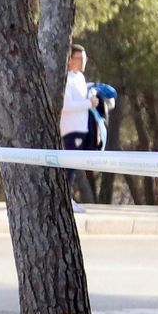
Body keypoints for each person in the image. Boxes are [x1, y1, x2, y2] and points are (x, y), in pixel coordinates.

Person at [60, 44, 100, 212]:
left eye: (85, 59)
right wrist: (88, 103)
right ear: (70, 60)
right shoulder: (66, 79)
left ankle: (68, 197)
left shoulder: (80, 78)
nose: (84, 62)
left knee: (74, 166)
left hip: (82, 127)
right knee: (69, 166)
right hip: (71, 128)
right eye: (80, 59)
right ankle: (65, 200)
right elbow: (66, 105)